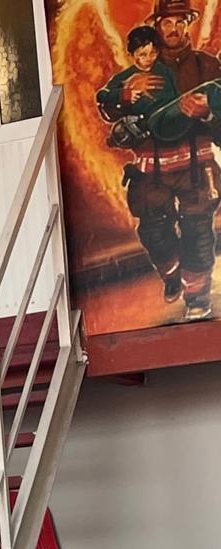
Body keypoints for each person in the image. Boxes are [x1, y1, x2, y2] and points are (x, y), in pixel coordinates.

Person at [97, 0, 221, 321]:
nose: (174, 29)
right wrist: (126, 95)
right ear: (156, 25)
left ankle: (197, 298)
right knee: (153, 233)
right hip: (151, 171)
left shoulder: (208, 67)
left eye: (181, 22)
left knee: (198, 233)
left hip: (196, 167)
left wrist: (207, 113)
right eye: (167, 22)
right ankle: (172, 273)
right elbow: (107, 109)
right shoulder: (139, 67)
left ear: (189, 23)